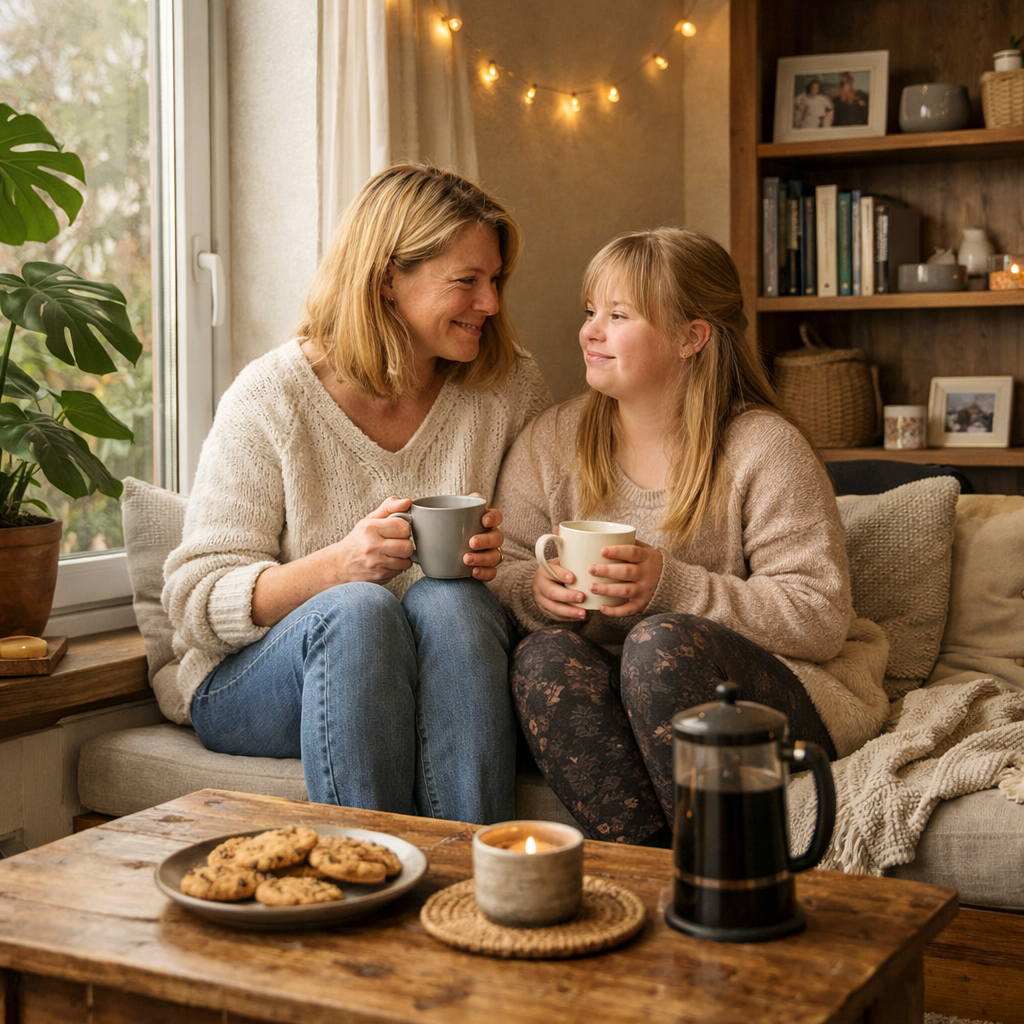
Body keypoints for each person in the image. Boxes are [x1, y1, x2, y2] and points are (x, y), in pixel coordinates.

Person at [163, 164, 552, 824]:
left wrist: (503, 567)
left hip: (439, 658)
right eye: (467, 281)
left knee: (453, 602)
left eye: (495, 281)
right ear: (386, 281)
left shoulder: (508, 389)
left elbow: (544, 561)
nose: (490, 303)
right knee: (360, 611)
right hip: (255, 681)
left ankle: (472, 887)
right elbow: (194, 601)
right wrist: (338, 566)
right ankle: (371, 881)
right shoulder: (272, 398)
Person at [489, 228, 889, 846]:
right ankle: (650, 876)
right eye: (590, 312)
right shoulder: (552, 441)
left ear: (691, 337)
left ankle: (717, 879)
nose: (590, 331)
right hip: (623, 684)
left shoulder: (763, 448)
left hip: (782, 691)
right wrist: (536, 592)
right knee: (543, 656)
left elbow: (819, 617)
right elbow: (507, 564)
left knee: (658, 642)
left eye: (618, 316)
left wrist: (670, 586)